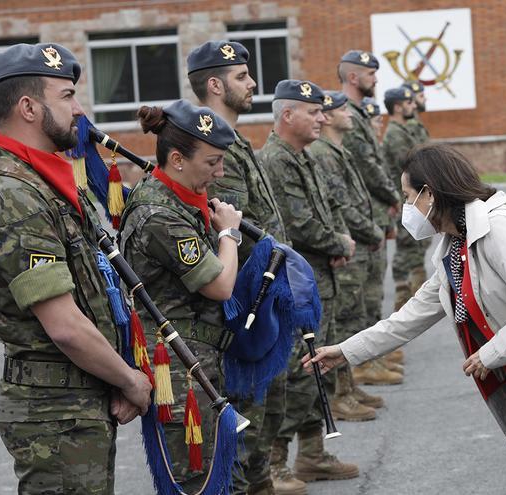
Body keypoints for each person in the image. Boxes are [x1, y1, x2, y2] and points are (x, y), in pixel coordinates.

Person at [304, 143, 506, 495]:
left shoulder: (500, 229)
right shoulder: (455, 245)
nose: (407, 208)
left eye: (409, 197)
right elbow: (409, 317)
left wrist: (490, 354)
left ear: (430, 194)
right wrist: (346, 351)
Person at [0, 43, 152, 494]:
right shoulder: (13, 193)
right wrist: (131, 381)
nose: (80, 110)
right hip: (54, 411)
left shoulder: (46, 180)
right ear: (28, 107)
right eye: (66, 96)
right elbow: (64, 326)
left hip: (76, 397)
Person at [185, 39, 291, 495]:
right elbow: (232, 233)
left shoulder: (237, 142)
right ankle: (253, 483)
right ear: (214, 84)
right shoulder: (209, 149)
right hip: (243, 296)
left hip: (263, 291)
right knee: (246, 402)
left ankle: (262, 479)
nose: (253, 84)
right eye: (242, 77)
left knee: (267, 400)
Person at [118, 99, 240, 491]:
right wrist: (228, 235)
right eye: (212, 162)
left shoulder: (179, 199)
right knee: (197, 481)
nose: (219, 173)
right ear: (178, 159)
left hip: (197, 358)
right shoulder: (161, 215)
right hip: (180, 372)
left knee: (220, 476)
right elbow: (220, 286)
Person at [257, 79, 359, 487]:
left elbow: (322, 211)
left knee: (318, 369)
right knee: (299, 372)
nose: (322, 117)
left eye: (322, 111)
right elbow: (297, 223)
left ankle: (313, 454)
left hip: (319, 276)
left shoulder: (300, 156)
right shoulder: (276, 160)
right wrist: (337, 242)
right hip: (298, 282)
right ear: (287, 115)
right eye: (313, 111)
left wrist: (337, 242)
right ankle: (276, 461)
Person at [309, 90, 388, 420]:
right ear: (327, 115)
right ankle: (340, 392)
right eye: (344, 110)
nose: (351, 115)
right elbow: (340, 206)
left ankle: (349, 386)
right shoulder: (323, 154)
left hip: (353, 242)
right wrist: (370, 231)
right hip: (347, 245)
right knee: (342, 322)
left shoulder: (335, 151)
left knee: (353, 316)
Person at [339, 50, 404, 384]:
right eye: (370, 74)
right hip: (359, 220)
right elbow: (368, 166)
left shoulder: (357, 115)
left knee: (373, 293)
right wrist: (394, 196)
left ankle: (368, 360)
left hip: (370, 213)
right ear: (353, 77)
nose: (376, 80)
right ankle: (362, 365)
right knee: (363, 297)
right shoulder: (346, 114)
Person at [382, 86, 429, 316]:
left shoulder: (403, 130)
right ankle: (402, 293)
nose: (414, 106)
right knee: (405, 249)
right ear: (398, 107)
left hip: (411, 198)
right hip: (404, 199)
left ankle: (414, 288)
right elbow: (412, 161)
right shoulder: (394, 134)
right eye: (409, 103)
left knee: (416, 246)